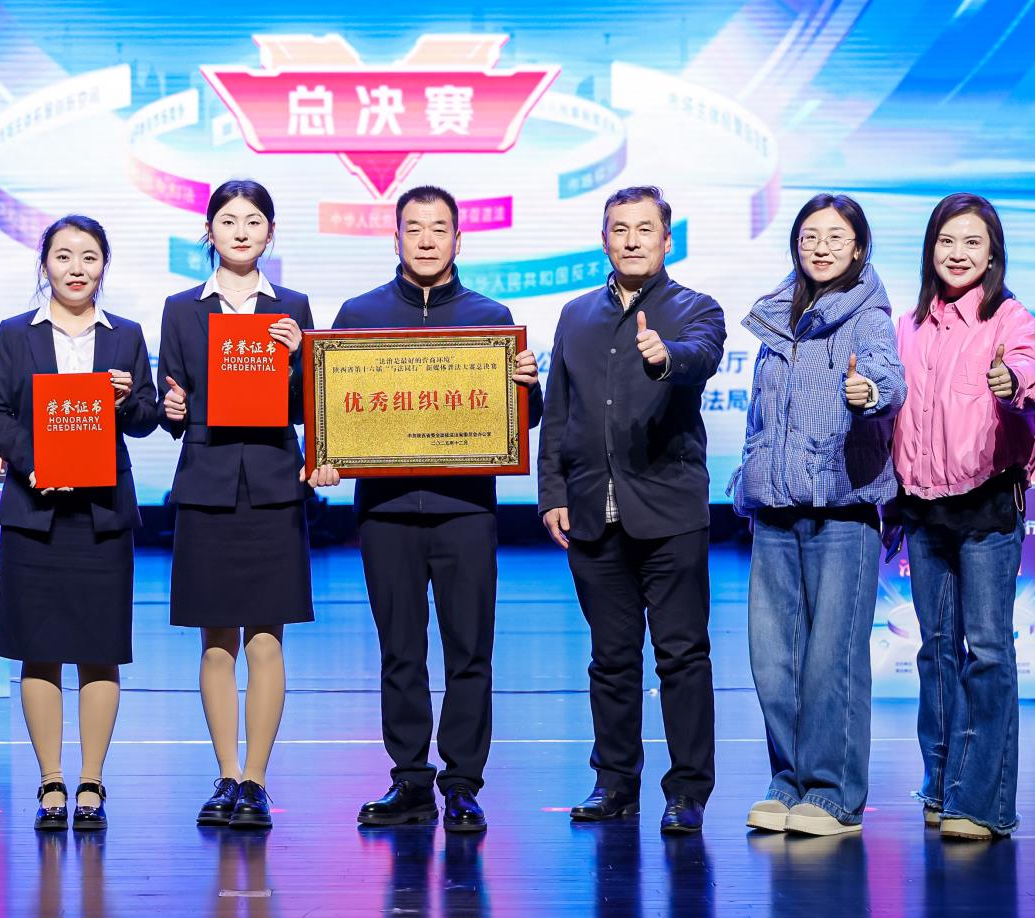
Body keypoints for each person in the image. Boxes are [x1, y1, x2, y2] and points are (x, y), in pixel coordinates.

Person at [326, 184, 540, 835]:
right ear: (395, 237)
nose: (425, 239)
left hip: (465, 508)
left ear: (457, 238)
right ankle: (411, 781)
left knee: (469, 650)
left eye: (438, 228)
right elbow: (330, 407)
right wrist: (326, 451)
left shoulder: (490, 317)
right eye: (413, 228)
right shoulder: (358, 315)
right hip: (386, 509)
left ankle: (464, 783)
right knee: (400, 651)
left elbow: (523, 421)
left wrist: (529, 387)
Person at [538, 184, 727, 835]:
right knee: (611, 660)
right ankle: (614, 783)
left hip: (669, 514)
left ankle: (688, 790)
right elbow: (557, 410)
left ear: (667, 240)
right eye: (620, 229)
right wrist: (552, 493)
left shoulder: (696, 308)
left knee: (682, 657)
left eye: (645, 229)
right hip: (593, 515)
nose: (632, 240)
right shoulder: (575, 315)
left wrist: (666, 357)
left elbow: (701, 357)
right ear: (604, 240)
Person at [0, 214, 160, 833]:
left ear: (104, 266)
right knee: (40, 651)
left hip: (102, 515)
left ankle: (92, 780)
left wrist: (126, 401)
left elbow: (146, 419)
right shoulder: (15, 334)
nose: (76, 268)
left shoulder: (126, 335)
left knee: (100, 651)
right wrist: (36, 463)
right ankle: (52, 778)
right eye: (63, 256)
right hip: (37, 514)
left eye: (88, 257)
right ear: (44, 265)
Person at [730, 194, 903, 837]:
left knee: (833, 661)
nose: (821, 247)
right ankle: (789, 779)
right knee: (774, 660)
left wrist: (869, 391)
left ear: (858, 248)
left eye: (836, 236)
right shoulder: (778, 315)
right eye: (810, 235)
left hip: (841, 508)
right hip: (775, 510)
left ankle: (834, 793)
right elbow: (760, 416)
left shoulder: (869, 315)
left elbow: (888, 378)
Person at [158, 180, 318, 831]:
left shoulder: (293, 308)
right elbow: (172, 402)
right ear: (210, 231)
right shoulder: (180, 309)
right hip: (207, 485)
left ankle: (256, 780)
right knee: (216, 642)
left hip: (274, 485)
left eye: (254, 221)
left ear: (270, 232)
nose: (242, 231)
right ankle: (225, 775)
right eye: (229, 220)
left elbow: (308, 405)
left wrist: (298, 358)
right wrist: (171, 408)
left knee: (267, 641)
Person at [892, 193, 1035, 841]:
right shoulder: (908, 326)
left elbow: (1033, 373)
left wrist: (1015, 384)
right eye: (946, 241)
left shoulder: (1011, 318)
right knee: (935, 652)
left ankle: (984, 802)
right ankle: (941, 784)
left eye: (972, 242)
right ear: (930, 249)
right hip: (923, 509)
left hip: (987, 505)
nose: (957, 253)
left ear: (992, 255)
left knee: (986, 653)